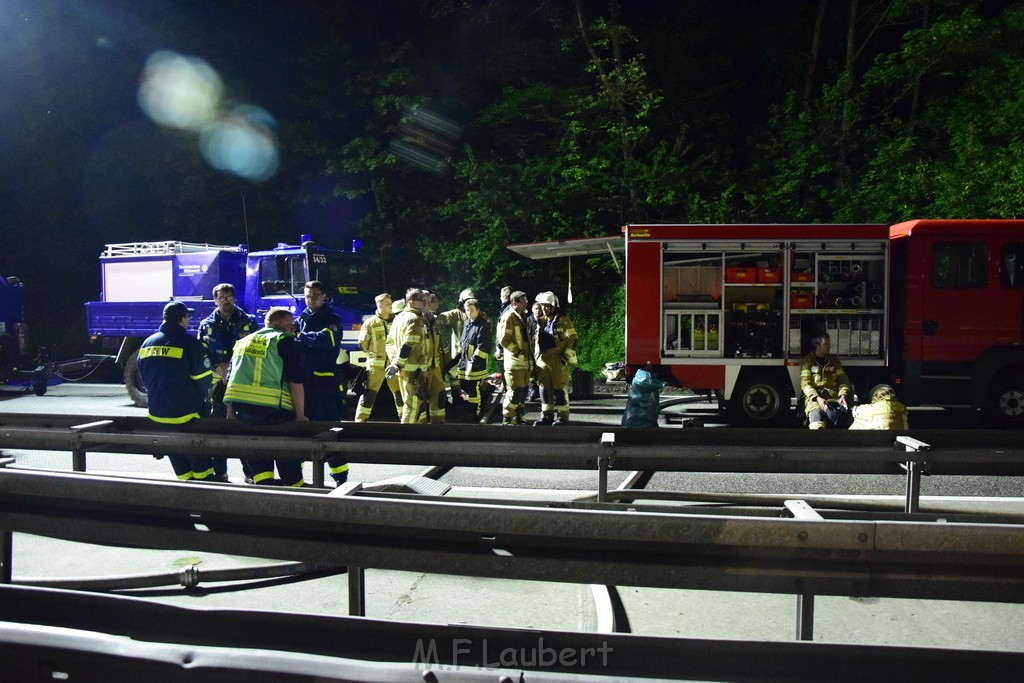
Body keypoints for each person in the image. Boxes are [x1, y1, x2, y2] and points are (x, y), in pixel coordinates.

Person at [223, 306, 308, 486]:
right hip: (274, 412)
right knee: (285, 452)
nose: (292, 328)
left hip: (243, 412)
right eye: (289, 324)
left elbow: (231, 378)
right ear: (276, 324)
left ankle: (263, 491)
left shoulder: (243, 341)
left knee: (258, 452)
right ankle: (295, 489)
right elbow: (295, 380)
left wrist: (229, 411)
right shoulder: (283, 340)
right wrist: (300, 415)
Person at [137, 301, 217, 481]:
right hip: (187, 416)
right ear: (182, 320)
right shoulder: (191, 344)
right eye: (187, 317)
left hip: (158, 415)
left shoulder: (147, 343)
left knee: (182, 470)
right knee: (201, 469)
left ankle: (185, 492)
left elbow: (145, 378)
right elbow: (204, 381)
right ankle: (204, 492)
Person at [198, 283, 257, 479]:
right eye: (221, 297)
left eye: (229, 296)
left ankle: (250, 473)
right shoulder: (206, 325)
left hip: (241, 382)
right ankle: (220, 472)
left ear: (234, 298)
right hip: (216, 388)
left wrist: (230, 366)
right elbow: (201, 353)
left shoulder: (248, 322)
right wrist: (217, 367)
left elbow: (254, 351)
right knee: (217, 430)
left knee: (242, 429)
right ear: (215, 300)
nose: (226, 300)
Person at [295, 280, 349, 484]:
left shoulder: (331, 318)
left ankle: (341, 479)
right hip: (303, 384)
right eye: (308, 296)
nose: (311, 299)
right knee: (299, 431)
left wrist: (301, 336)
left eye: (316, 295)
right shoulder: (301, 317)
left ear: (324, 296)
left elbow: (326, 340)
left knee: (329, 433)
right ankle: (296, 479)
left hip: (325, 385)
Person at [353, 292, 402, 422]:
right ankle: (360, 421)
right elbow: (362, 343)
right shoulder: (370, 323)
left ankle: (405, 420)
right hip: (376, 366)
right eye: (387, 303)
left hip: (393, 365)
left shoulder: (397, 321)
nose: (390, 306)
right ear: (379, 305)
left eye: (390, 303)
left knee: (400, 394)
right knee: (369, 394)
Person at [532, 291, 578, 426]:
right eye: (542, 306)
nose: (544, 309)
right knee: (544, 389)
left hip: (557, 358)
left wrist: (565, 358)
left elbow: (573, 340)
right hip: (542, 358)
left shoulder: (564, 321)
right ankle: (547, 415)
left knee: (559, 388)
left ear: (553, 307)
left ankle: (563, 417)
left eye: (547, 306)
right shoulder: (541, 322)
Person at [385, 288, 430, 424]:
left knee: (416, 403)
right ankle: (407, 436)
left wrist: (395, 364)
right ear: (412, 302)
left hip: (403, 370)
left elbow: (389, 343)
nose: (425, 302)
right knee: (413, 405)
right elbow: (408, 345)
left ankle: (421, 434)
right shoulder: (415, 319)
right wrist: (397, 364)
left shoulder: (399, 318)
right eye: (421, 300)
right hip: (413, 370)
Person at [800, 333, 853, 429]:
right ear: (817, 345)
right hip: (815, 398)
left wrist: (843, 395)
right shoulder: (807, 361)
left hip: (833, 396)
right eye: (826, 344)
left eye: (829, 343)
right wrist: (817, 398)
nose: (829, 346)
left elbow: (843, 379)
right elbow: (805, 384)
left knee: (843, 416)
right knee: (816, 413)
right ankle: (817, 438)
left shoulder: (834, 361)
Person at [496, 291, 533, 425]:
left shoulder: (521, 316)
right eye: (523, 301)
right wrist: (518, 352)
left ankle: (519, 416)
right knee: (515, 391)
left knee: (522, 392)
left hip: (524, 363)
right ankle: (507, 418)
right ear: (515, 303)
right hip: (515, 363)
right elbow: (504, 339)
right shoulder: (509, 317)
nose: (526, 303)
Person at [457, 298, 491, 417]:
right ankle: (485, 394)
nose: (469, 313)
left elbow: (483, 347)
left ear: (477, 310)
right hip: (465, 362)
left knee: (473, 388)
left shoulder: (483, 325)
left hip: (476, 363)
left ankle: (475, 412)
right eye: (467, 310)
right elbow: (464, 342)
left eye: (472, 310)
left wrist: (473, 362)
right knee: (464, 385)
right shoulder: (467, 323)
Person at [525, 301, 544, 402]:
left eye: (539, 309)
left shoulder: (544, 320)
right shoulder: (528, 321)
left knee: (541, 371)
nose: (538, 311)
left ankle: (541, 391)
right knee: (531, 372)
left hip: (541, 351)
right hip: (531, 350)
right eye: (536, 309)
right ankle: (532, 391)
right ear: (532, 310)